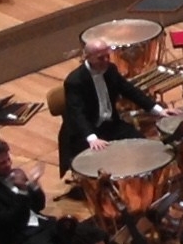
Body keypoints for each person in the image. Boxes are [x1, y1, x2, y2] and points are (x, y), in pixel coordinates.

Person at [59, 36, 156, 171]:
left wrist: (156, 109)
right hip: (85, 132)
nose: (106, 61)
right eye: (101, 58)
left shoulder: (110, 70)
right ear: (87, 57)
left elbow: (129, 90)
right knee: (102, 163)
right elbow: (77, 114)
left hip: (111, 125)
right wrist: (92, 138)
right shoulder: (75, 81)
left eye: (107, 56)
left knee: (143, 145)